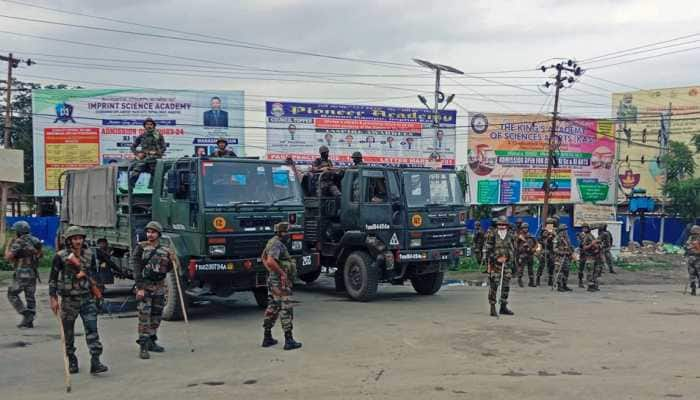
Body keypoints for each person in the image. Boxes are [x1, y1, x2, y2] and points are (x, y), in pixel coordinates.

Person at [49, 226, 108, 375]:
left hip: (87, 297)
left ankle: (96, 361)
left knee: (92, 330)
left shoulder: (89, 254)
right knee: (68, 333)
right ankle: (72, 360)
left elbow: (94, 274)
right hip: (69, 300)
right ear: (69, 241)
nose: (78, 241)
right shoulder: (60, 256)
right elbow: (53, 279)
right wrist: (53, 298)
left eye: (80, 238)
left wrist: (97, 292)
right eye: (75, 239)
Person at [130, 221, 173, 359]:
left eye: (153, 232)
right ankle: (143, 346)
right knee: (144, 316)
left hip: (159, 287)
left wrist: (172, 260)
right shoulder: (141, 248)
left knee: (156, 315)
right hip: (145, 287)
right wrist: (140, 287)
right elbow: (136, 268)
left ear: (158, 234)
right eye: (148, 232)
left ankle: (151, 341)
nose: (150, 234)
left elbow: (169, 269)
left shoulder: (165, 250)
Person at [261, 222, 302, 350]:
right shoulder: (277, 244)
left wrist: (272, 272)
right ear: (282, 232)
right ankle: (289, 340)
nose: (288, 235)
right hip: (279, 282)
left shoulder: (271, 242)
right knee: (286, 308)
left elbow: (263, 257)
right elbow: (270, 260)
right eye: (287, 232)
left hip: (274, 279)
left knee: (273, 307)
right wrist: (282, 274)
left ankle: (267, 337)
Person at [5, 221, 42, 329]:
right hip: (33, 272)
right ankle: (29, 321)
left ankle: (26, 314)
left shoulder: (18, 242)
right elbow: (40, 255)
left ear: (19, 231)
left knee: (11, 293)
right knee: (30, 296)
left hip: (22, 273)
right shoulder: (36, 240)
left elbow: (8, 257)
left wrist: (8, 244)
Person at [484, 216, 515, 317]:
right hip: (495, 264)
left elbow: (513, 248)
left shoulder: (510, 234)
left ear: (507, 225)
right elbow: (487, 250)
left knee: (506, 285)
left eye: (503, 224)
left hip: (507, 264)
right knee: (494, 285)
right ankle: (492, 307)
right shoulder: (492, 234)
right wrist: (496, 258)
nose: (502, 226)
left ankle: (503, 306)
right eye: (500, 224)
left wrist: (509, 258)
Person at [130, 118, 166, 186]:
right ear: (144, 126)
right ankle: (130, 187)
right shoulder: (142, 136)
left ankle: (153, 187)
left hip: (155, 159)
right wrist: (138, 154)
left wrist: (156, 152)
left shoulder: (158, 136)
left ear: (153, 126)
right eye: (147, 124)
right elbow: (132, 147)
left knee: (157, 174)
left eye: (151, 124)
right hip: (144, 158)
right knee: (136, 170)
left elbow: (164, 147)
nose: (149, 126)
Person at [580, 223, 603, 292]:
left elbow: (598, 245)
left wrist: (598, 245)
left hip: (596, 256)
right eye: (583, 228)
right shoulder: (586, 237)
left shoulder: (592, 236)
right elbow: (584, 248)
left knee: (596, 272)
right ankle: (590, 286)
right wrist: (591, 244)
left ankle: (595, 285)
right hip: (590, 256)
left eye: (585, 228)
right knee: (590, 272)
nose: (584, 229)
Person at [515, 222, 537, 288]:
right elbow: (515, 245)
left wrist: (533, 249)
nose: (525, 229)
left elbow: (536, 244)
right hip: (522, 254)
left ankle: (531, 282)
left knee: (531, 269)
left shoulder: (531, 236)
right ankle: (519, 281)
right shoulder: (519, 236)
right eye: (524, 228)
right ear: (521, 228)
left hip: (530, 254)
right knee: (521, 269)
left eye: (526, 228)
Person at [553, 224, 574, 292]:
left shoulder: (567, 238)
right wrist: (562, 252)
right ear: (560, 231)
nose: (565, 232)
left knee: (566, 271)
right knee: (559, 272)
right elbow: (554, 249)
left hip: (566, 258)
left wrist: (571, 251)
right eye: (563, 230)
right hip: (559, 258)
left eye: (565, 230)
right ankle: (559, 286)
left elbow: (570, 247)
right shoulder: (556, 238)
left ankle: (565, 285)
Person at [536, 218, 556, 287]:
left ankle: (550, 280)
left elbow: (555, 239)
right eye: (549, 223)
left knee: (551, 266)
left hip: (551, 251)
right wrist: (547, 237)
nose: (550, 225)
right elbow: (541, 239)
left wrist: (552, 235)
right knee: (541, 266)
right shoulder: (544, 230)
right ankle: (537, 279)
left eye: (551, 223)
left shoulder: (554, 231)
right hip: (544, 250)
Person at [684, 225, 700, 296]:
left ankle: (694, 289)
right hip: (691, 258)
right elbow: (686, 247)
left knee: (697, 274)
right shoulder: (690, 238)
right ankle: (693, 289)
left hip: (697, 258)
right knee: (692, 274)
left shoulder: (694, 238)